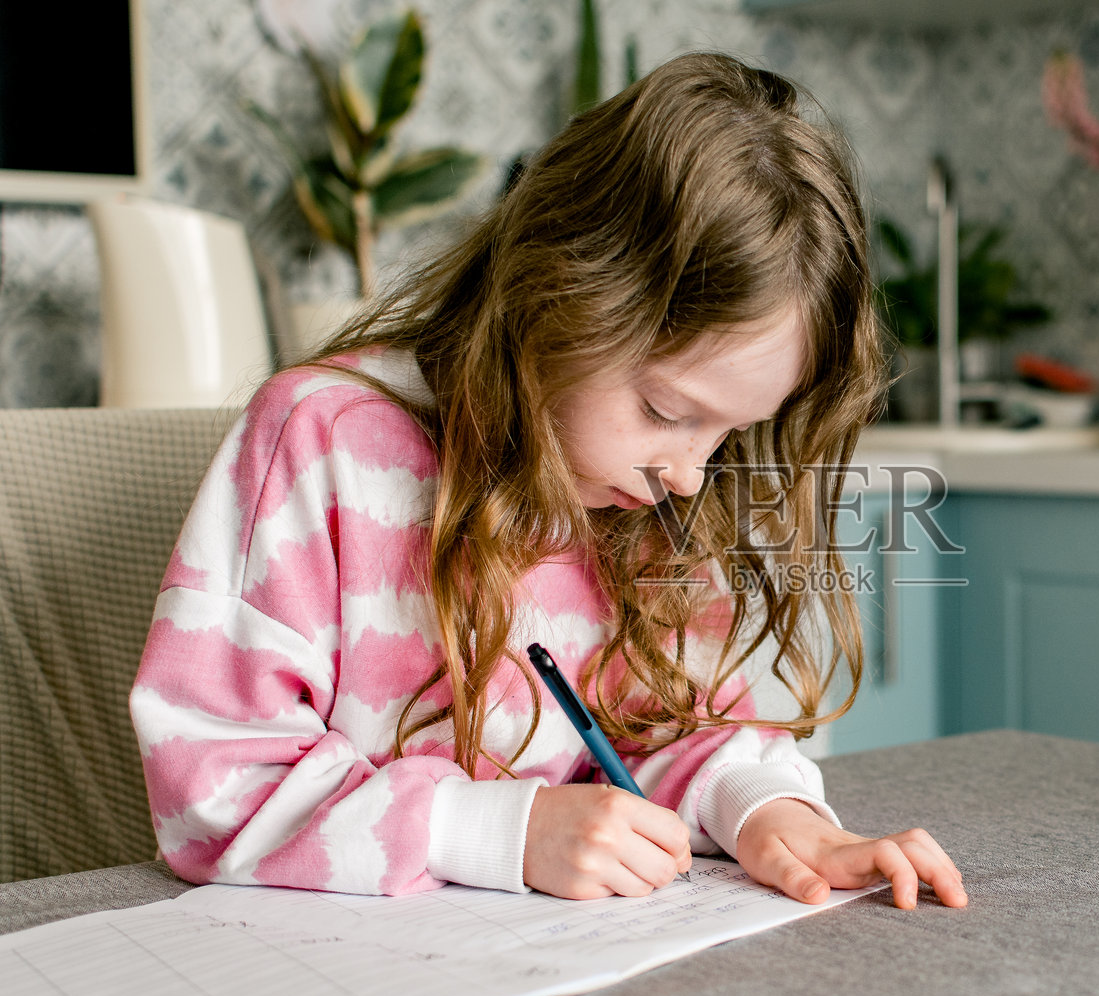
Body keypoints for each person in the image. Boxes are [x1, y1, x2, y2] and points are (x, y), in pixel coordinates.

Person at [130, 52, 967, 911]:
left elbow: (680, 726)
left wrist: (767, 810)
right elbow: (214, 788)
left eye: (729, 433)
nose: (688, 475)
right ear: (558, 295)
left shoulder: (636, 497)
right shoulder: (320, 443)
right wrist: (507, 831)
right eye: (666, 408)